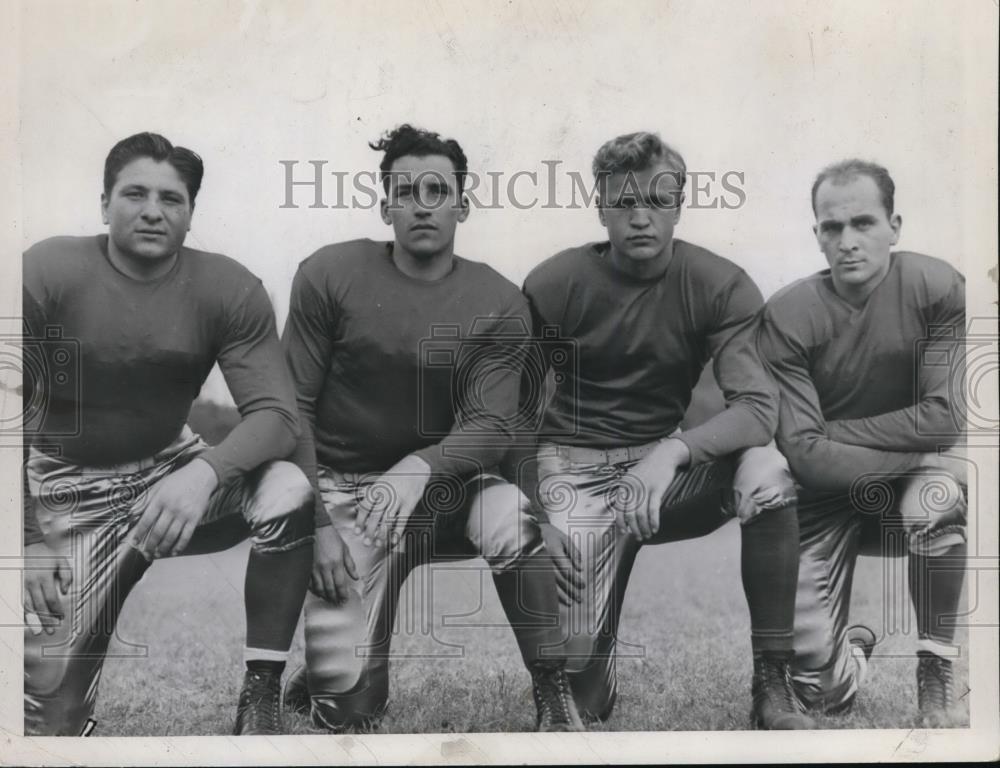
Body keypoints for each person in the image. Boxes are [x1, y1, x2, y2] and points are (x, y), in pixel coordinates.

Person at [279, 124, 583, 732]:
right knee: (347, 714)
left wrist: (421, 467)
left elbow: (496, 424)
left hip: (446, 489)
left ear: (462, 203)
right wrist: (316, 526)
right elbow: (292, 410)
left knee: (509, 516)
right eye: (407, 189)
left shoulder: (496, 297)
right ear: (384, 201)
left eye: (437, 189)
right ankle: (328, 674)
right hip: (349, 493)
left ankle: (553, 694)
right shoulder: (329, 274)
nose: (422, 202)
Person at [21, 132, 314, 736]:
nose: (153, 210)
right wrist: (25, 536)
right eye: (135, 193)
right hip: (65, 490)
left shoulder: (227, 286)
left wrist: (203, 475)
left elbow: (278, 416)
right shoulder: (46, 269)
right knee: (45, 725)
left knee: (286, 486)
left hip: (169, 472)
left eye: (171, 199)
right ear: (104, 204)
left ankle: (260, 694)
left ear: (190, 213)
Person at [519, 131, 812, 729]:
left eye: (657, 200)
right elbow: (514, 416)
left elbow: (758, 409)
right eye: (624, 202)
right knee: (585, 701)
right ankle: (592, 661)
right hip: (571, 475)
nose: (641, 216)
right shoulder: (553, 283)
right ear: (600, 207)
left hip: (662, 475)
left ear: (680, 204)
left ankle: (772, 681)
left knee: (766, 471)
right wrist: (535, 513)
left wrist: (672, 451)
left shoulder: (719, 282)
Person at [758, 159, 967, 727]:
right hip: (826, 495)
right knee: (824, 698)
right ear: (816, 235)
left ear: (894, 226)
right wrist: (917, 446)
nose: (848, 241)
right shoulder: (788, 312)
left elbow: (946, 417)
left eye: (864, 223)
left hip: (904, 493)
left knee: (939, 497)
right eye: (832, 228)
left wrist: (837, 434)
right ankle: (852, 649)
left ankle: (935, 673)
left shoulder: (936, 286)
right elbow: (804, 454)